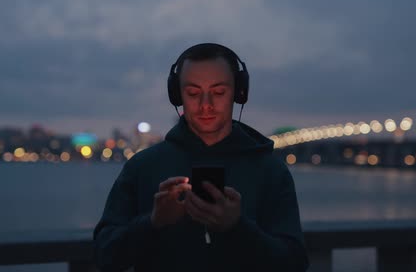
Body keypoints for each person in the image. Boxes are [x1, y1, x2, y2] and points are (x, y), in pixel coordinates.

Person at [93, 43, 309, 271]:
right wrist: (154, 221)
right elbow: (104, 256)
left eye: (218, 92)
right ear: (177, 96)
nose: (206, 105)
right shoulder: (142, 167)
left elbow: (294, 263)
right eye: (193, 93)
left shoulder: (270, 171)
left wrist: (237, 227)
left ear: (238, 93)